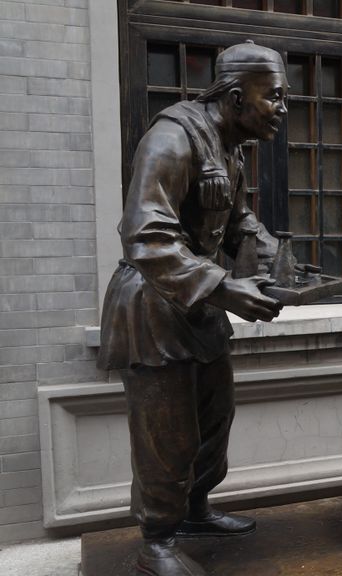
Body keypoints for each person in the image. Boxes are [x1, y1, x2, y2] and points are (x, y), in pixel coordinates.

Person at [97, 42, 287, 576]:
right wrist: (226, 288)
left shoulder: (231, 147)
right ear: (234, 96)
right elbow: (146, 236)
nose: (282, 108)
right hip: (152, 308)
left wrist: (291, 272)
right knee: (166, 433)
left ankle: (196, 510)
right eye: (273, 96)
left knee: (212, 419)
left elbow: (242, 226)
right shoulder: (170, 140)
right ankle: (157, 539)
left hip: (199, 307)